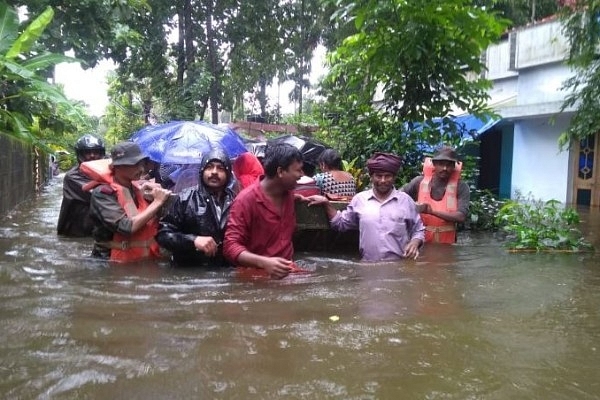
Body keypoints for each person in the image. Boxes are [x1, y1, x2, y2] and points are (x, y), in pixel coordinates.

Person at [306, 152, 425, 262]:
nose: (383, 180)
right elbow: (341, 223)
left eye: (387, 176)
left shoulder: (405, 201)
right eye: (378, 176)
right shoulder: (360, 199)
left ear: (394, 177)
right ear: (371, 177)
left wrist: (415, 242)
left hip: (399, 267)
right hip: (368, 266)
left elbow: (418, 230)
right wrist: (326, 203)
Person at [223, 143, 305, 279]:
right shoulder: (245, 201)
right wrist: (264, 263)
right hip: (255, 277)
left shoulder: (288, 194)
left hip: (288, 274)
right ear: (280, 172)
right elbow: (230, 247)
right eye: (298, 170)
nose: (302, 175)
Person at [83, 141, 172, 262]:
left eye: (142, 163)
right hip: (108, 262)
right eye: (134, 164)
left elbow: (158, 222)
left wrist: (160, 200)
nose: (141, 169)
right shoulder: (103, 193)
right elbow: (125, 227)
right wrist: (157, 203)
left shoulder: (138, 189)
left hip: (139, 259)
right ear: (118, 166)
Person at [156, 149, 236, 266]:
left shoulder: (236, 201)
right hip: (188, 271)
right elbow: (163, 235)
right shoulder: (185, 198)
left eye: (220, 168)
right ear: (202, 171)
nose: (214, 172)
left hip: (224, 271)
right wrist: (193, 240)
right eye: (209, 167)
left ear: (228, 174)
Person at [401, 146, 470, 243]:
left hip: (447, 245)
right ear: (434, 164)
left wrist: (432, 211)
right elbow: (397, 198)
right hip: (420, 242)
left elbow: (461, 217)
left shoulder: (461, 187)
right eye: (441, 164)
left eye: (449, 165)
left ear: (454, 166)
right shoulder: (418, 182)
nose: (445, 168)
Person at [57, 134, 106, 237]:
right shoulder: (73, 176)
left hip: (94, 230)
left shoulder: (105, 173)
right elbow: (99, 195)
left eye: (96, 152)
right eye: (88, 152)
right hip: (76, 232)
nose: (92, 156)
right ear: (81, 155)